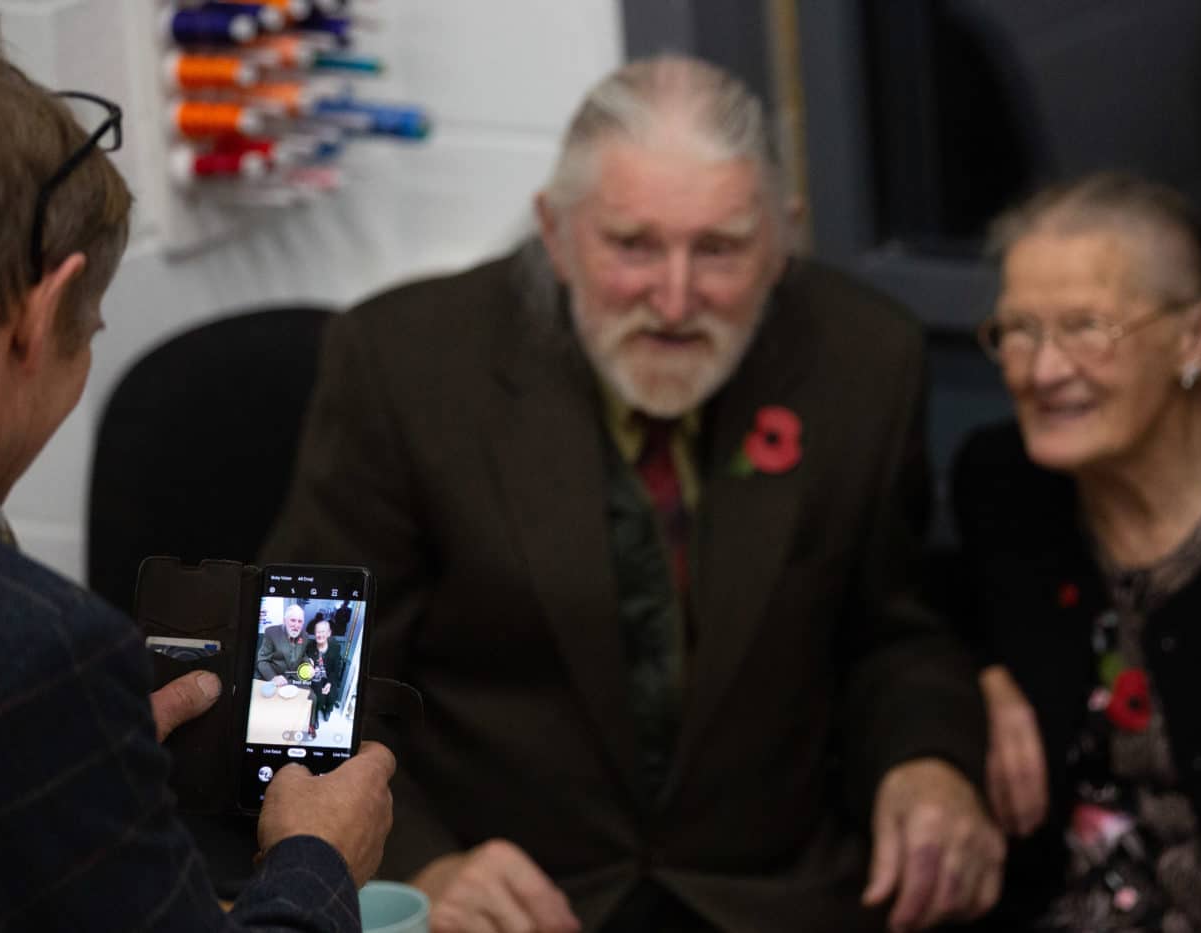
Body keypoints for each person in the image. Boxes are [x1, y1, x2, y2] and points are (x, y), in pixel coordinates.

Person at [264, 55, 1001, 933]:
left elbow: (893, 628)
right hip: (509, 901)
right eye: (633, 245)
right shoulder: (401, 362)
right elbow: (298, 685)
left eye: (720, 249)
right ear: (556, 233)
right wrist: (424, 864)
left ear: (781, 242)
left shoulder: (864, 358)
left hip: (776, 895)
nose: (676, 297)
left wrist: (928, 757)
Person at [0, 21, 396, 930]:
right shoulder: (31, 653)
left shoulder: (25, 678)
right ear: (40, 312)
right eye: (86, 335)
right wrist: (317, 858)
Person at [950, 172, 1201, 931]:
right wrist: (978, 675)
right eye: (1018, 329)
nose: (1043, 370)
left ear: (1197, 340)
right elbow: (920, 603)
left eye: (1087, 326)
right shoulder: (1002, 487)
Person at [306, 617, 346, 739]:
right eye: (318, 632)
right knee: (319, 696)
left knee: (333, 694)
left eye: (323, 631)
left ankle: (328, 710)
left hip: (329, 677)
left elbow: (335, 669)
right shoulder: (310, 646)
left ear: (329, 633)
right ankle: (315, 716)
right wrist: (309, 665)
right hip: (316, 678)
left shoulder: (335, 648)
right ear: (314, 633)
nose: (320, 635)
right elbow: (305, 665)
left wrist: (329, 683)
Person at [257, 602, 309, 683]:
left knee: (311, 696)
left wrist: (309, 666)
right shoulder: (271, 632)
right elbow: (262, 660)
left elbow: (303, 656)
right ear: (284, 621)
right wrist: (273, 677)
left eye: (300, 621)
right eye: (293, 620)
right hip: (277, 679)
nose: (296, 625)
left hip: (297, 679)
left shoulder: (305, 636)